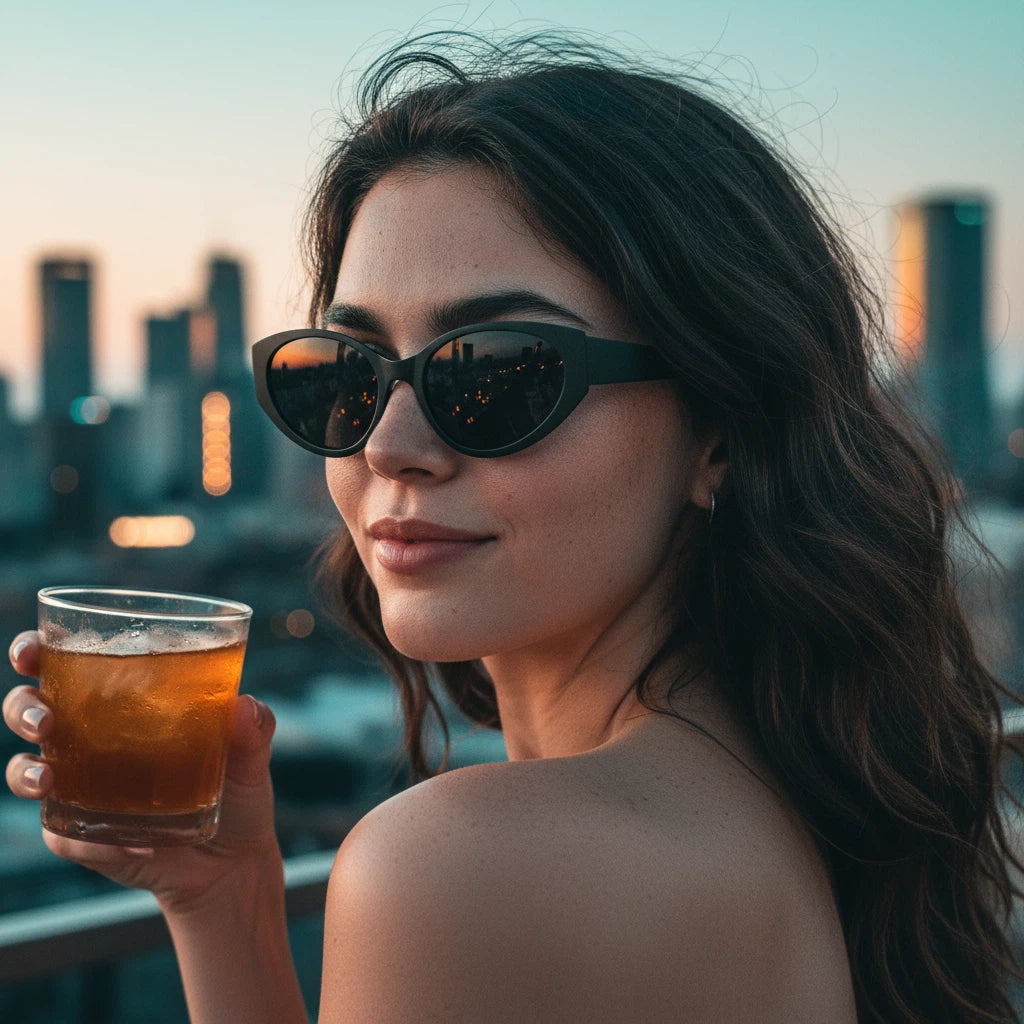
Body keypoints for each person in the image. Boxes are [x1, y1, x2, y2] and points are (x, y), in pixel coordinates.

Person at [5, 29, 1023, 1024]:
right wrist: (222, 902)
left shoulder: (466, 865)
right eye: (347, 373)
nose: (390, 445)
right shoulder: (788, 784)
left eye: (495, 373)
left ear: (718, 429)